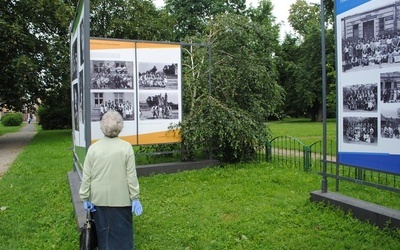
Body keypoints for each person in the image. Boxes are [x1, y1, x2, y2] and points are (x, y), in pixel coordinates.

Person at [79, 110, 143, 250]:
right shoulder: (126, 147)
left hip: (98, 201)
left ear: (102, 126)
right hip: (122, 201)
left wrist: (85, 198)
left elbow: (87, 176)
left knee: (104, 238)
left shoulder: (93, 149)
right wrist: (135, 197)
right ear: (120, 126)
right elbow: (131, 176)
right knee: (123, 239)